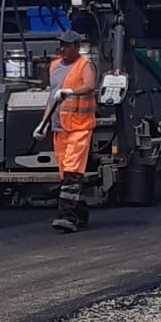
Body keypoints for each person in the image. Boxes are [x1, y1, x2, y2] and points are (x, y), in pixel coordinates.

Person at [34, 29, 95, 233]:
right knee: (65, 173)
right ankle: (81, 214)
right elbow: (52, 99)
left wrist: (70, 91)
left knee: (71, 172)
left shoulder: (84, 65)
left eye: (68, 45)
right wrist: (43, 125)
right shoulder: (54, 66)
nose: (63, 49)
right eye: (62, 45)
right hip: (60, 128)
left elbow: (89, 86)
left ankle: (67, 217)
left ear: (77, 47)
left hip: (79, 126)